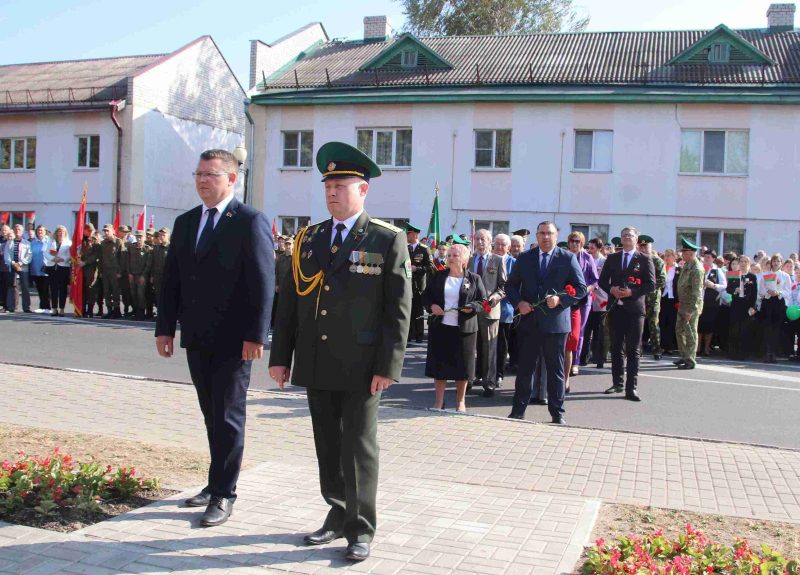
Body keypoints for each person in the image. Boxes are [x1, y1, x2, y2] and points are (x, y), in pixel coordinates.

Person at [268, 141, 411, 562]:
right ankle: (337, 510)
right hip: (316, 359)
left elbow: (397, 309)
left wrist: (389, 365)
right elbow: (291, 302)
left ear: (363, 190)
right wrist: (281, 357)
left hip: (364, 364)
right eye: (327, 185)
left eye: (341, 184)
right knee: (327, 443)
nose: (332, 192)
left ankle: (361, 527)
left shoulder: (387, 239)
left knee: (359, 446)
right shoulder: (309, 239)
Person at [156, 149, 274, 527]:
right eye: (199, 174)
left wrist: (257, 334)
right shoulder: (188, 221)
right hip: (197, 335)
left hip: (234, 340)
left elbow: (262, 282)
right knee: (210, 414)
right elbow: (172, 278)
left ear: (231, 179)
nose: (203, 180)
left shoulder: (250, 221)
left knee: (228, 416)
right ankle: (213, 483)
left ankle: (225, 494)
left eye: (211, 174)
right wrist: (165, 326)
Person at [506, 221, 586, 424]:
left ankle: (557, 413)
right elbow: (511, 286)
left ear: (556, 236)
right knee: (525, 369)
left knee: (556, 371)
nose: (545, 237)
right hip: (529, 322)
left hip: (555, 324)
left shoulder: (567, 258)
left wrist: (561, 300)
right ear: (536, 235)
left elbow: (580, 288)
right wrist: (519, 303)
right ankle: (518, 411)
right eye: (541, 233)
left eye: (549, 233)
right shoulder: (525, 258)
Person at [423, 242, 486, 412]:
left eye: (455, 255)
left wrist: (472, 307)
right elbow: (426, 296)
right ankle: (439, 401)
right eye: (449, 255)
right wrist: (432, 307)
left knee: (462, 368)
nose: (450, 258)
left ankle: (460, 402)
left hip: (464, 329)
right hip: (440, 327)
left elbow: (483, 302)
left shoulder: (474, 279)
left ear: (465, 259)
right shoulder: (439, 276)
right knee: (440, 366)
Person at [598, 227, 656, 401]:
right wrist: (611, 289)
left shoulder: (645, 259)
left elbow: (651, 284)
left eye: (630, 235)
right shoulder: (613, 257)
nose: (627, 238)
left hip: (635, 310)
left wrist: (633, 292)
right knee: (616, 347)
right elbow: (602, 280)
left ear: (636, 238)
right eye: (624, 236)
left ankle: (631, 388)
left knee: (633, 349)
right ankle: (617, 383)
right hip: (616, 308)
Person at [468, 229, 507, 397]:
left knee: (490, 347)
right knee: (471, 347)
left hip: (490, 311)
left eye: (483, 239)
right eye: (477, 239)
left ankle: (489, 382)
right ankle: (469, 378)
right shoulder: (469, 260)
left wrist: (494, 298)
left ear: (490, 242)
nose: (480, 242)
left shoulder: (497, 260)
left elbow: (503, 286)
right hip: (471, 311)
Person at [565, 231, 598, 387]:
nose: (574, 243)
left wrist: (587, 289)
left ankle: (575, 362)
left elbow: (595, 280)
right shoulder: (563, 257)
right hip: (566, 300)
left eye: (577, 241)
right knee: (565, 331)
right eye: (572, 240)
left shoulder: (587, 258)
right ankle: (564, 360)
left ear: (582, 243)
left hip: (583, 301)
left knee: (579, 333)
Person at [675, 237, 705, 369]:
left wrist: (691, 310)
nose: (682, 255)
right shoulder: (687, 265)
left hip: (690, 306)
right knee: (679, 331)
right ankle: (684, 355)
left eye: (684, 253)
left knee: (690, 333)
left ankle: (690, 360)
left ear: (691, 254)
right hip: (683, 304)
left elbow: (697, 292)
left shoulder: (696, 269)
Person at [757, 253, 792, 363]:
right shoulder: (765, 275)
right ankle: (767, 352)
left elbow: (788, 292)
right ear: (771, 262)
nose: (775, 263)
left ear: (781, 263)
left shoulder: (785, 276)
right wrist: (768, 292)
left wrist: (778, 292)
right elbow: (761, 290)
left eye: (778, 261)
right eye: (774, 261)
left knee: (776, 328)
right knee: (768, 328)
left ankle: (774, 353)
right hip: (768, 302)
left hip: (779, 302)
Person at [638, 235, 666, 360]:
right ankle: (638, 349)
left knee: (653, 325)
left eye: (646, 246)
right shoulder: (637, 259)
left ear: (651, 247)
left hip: (653, 298)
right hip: (639, 298)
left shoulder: (657, 261)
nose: (643, 249)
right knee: (639, 324)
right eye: (641, 246)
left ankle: (656, 350)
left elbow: (661, 281)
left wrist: (647, 288)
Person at [493, 234, 515, 386]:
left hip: (505, 309)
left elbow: (514, 285)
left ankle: (499, 373)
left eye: (503, 245)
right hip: (488, 309)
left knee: (501, 344)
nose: (500, 247)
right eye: (498, 244)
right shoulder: (489, 260)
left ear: (509, 248)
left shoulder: (514, 262)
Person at [407, 223, 434, 344]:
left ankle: (419, 335)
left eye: (408, 234)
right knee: (408, 309)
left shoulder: (424, 249)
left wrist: (416, 269)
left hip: (419, 284)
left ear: (414, 234)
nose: (407, 236)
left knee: (418, 310)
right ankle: (409, 334)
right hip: (408, 284)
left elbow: (430, 267)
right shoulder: (406, 248)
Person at [727, 256, 757, 360]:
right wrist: (735, 290)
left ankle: (743, 352)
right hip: (736, 304)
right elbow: (728, 289)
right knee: (734, 329)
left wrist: (753, 306)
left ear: (748, 263)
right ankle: (733, 352)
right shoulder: (734, 275)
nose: (743, 263)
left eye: (745, 262)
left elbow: (754, 293)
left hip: (747, 305)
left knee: (745, 329)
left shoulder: (752, 276)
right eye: (741, 262)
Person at [697, 250, 727, 356]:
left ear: (713, 259)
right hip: (699, 301)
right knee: (699, 326)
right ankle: (698, 347)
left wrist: (713, 285)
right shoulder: (699, 268)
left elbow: (724, 286)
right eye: (705, 257)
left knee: (709, 326)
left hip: (712, 303)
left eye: (709, 257)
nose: (706, 259)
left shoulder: (717, 271)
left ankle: (706, 348)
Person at [4, 224, 32, 313]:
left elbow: (29, 255)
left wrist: (20, 263)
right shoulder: (9, 242)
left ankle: (26, 307)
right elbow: (6, 255)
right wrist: (13, 263)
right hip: (12, 267)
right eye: (15, 229)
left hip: (23, 267)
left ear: (22, 231)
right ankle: (11, 307)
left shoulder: (27, 243)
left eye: (19, 229)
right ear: (13, 231)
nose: (17, 231)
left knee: (25, 287)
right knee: (11, 287)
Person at [44, 225, 72, 316]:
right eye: (59, 231)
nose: (61, 233)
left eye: (63, 232)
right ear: (56, 232)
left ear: (65, 233)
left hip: (63, 267)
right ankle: (54, 308)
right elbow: (46, 252)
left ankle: (62, 309)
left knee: (62, 289)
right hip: (52, 267)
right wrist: (53, 259)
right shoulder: (51, 241)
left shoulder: (68, 242)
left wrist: (62, 259)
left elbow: (69, 255)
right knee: (53, 289)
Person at [127, 230, 152, 320]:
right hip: (132, 275)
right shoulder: (131, 247)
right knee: (133, 294)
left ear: (144, 238)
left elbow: (148, 264)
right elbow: (128, 261)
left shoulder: (147, 249)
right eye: (137, 237)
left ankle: (141, 312)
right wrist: (129, 273)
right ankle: (136, 310)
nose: (139, 238)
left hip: (141, 275)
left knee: (140, 294)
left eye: (141, 237)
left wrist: (143, 275)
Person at [78, 223, 100, 317]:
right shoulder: (79, 240)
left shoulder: (96, 242)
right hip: (80, 268)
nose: (89, 232)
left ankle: (90, 310)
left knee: (90, 289)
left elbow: (96, 255)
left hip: (91, 268)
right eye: (87, 230)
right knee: (81, 289)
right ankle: (81, 309)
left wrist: (85, 262)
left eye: (91, 230)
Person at [659, 249, 679, 354]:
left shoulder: (678, 269)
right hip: (663, 297)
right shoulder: (662, 268)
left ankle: (669, 345)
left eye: (669, 256)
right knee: (662, 321)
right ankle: (662, 345)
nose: (666, 258)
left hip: (673, 298)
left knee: (672, 322)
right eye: (665, 256)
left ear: (674, 257)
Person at [149, 227, 170, 317]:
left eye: (163, 235)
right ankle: (160, 314)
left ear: (168, 236)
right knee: (158, 296)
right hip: (157, 276)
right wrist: (152, 275)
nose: (161, 237)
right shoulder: (156, 248)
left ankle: (168, 314)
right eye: (160, 235)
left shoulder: (171, 248)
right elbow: (153, 263)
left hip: (167, 277)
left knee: (167, 296)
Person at [30, 224, 50, 313]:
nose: (40, 232)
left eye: (42, 230)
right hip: (36, 268)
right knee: (39, 288)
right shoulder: (33, 242)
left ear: (45, 231)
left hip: (46, 268)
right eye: (38, 231)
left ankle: (47, 307)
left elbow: (53, 253)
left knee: (46, 288)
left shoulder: (49, 241)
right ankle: (42, 307)